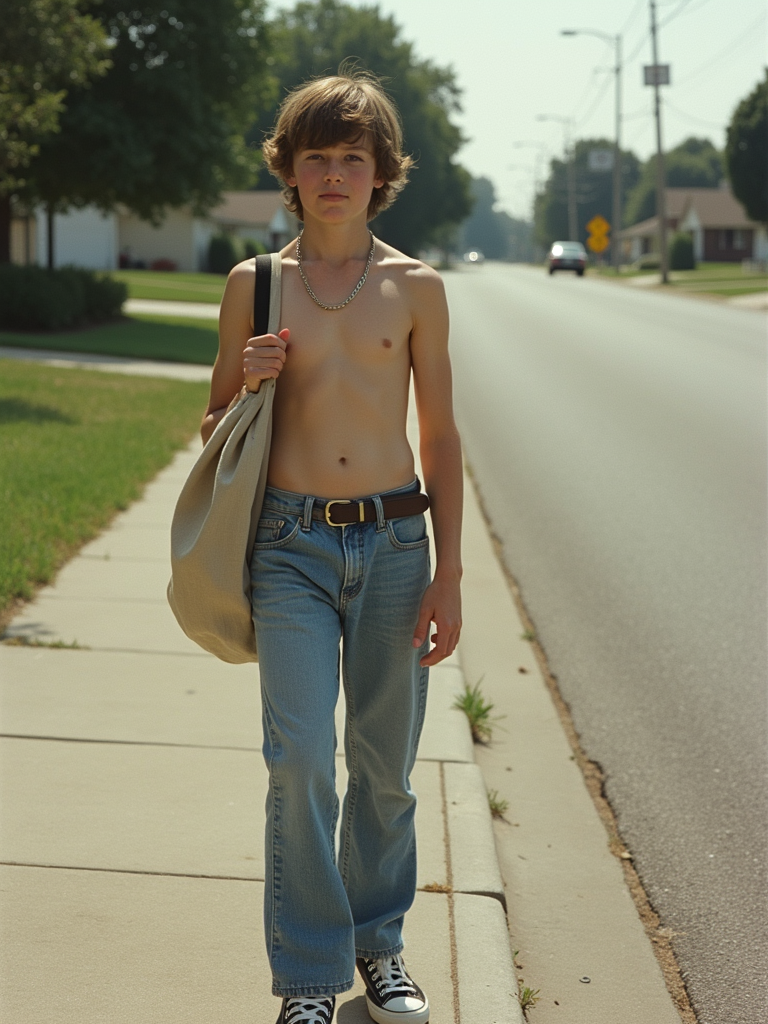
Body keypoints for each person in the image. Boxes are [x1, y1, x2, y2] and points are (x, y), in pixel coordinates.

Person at [201, 70, 463, 1024]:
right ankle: (309, 977)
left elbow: (440, 438)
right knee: (303, 757)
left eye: (354, 156)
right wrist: (247, 378)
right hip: (289, 546)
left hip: (397, 544)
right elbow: (215, 432)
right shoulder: (255, 284)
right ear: (291, 170)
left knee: (386, 768)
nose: (336, 173)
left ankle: (379, 948)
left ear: (381, 171)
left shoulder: (415, 289)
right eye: (317, 156)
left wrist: (452, 574)